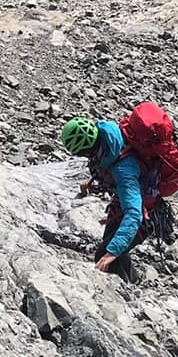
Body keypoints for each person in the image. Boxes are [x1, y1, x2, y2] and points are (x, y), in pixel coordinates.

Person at [61, 116, 149, 283]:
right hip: (122, 204)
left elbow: (134, 214)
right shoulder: (106, 143)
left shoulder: (123, 170)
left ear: (87, 150)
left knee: (106, 254)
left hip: (146, 213)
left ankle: (123, 293)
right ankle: (134, 281)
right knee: (111, 246)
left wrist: (112, 253)